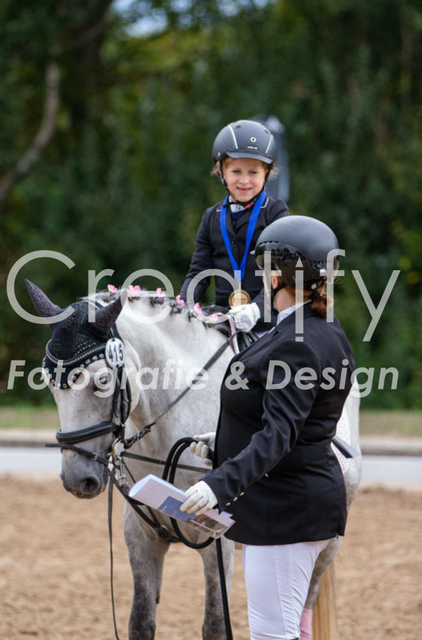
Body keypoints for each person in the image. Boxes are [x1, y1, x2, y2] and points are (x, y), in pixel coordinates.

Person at [181, 215, 355, 640]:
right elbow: (296, 418)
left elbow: (280, 435)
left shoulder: (296, 343)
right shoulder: (320, 329)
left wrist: (218, 485)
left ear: (278, 276)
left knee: (272, 635)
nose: (261, 276)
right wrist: (223, 442)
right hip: (298, 504)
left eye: (265, 269)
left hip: (284, 513)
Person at [179, 119, 289, 333]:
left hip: (265, 321)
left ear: (267, 173)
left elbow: (279, 272)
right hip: (223, 319)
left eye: (253, 172)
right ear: (221, 171)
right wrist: (182, 305)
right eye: (236, 171)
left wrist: (257, 309)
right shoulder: (211, 217)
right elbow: (198, 273)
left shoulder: (275, 212)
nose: (244, 180)